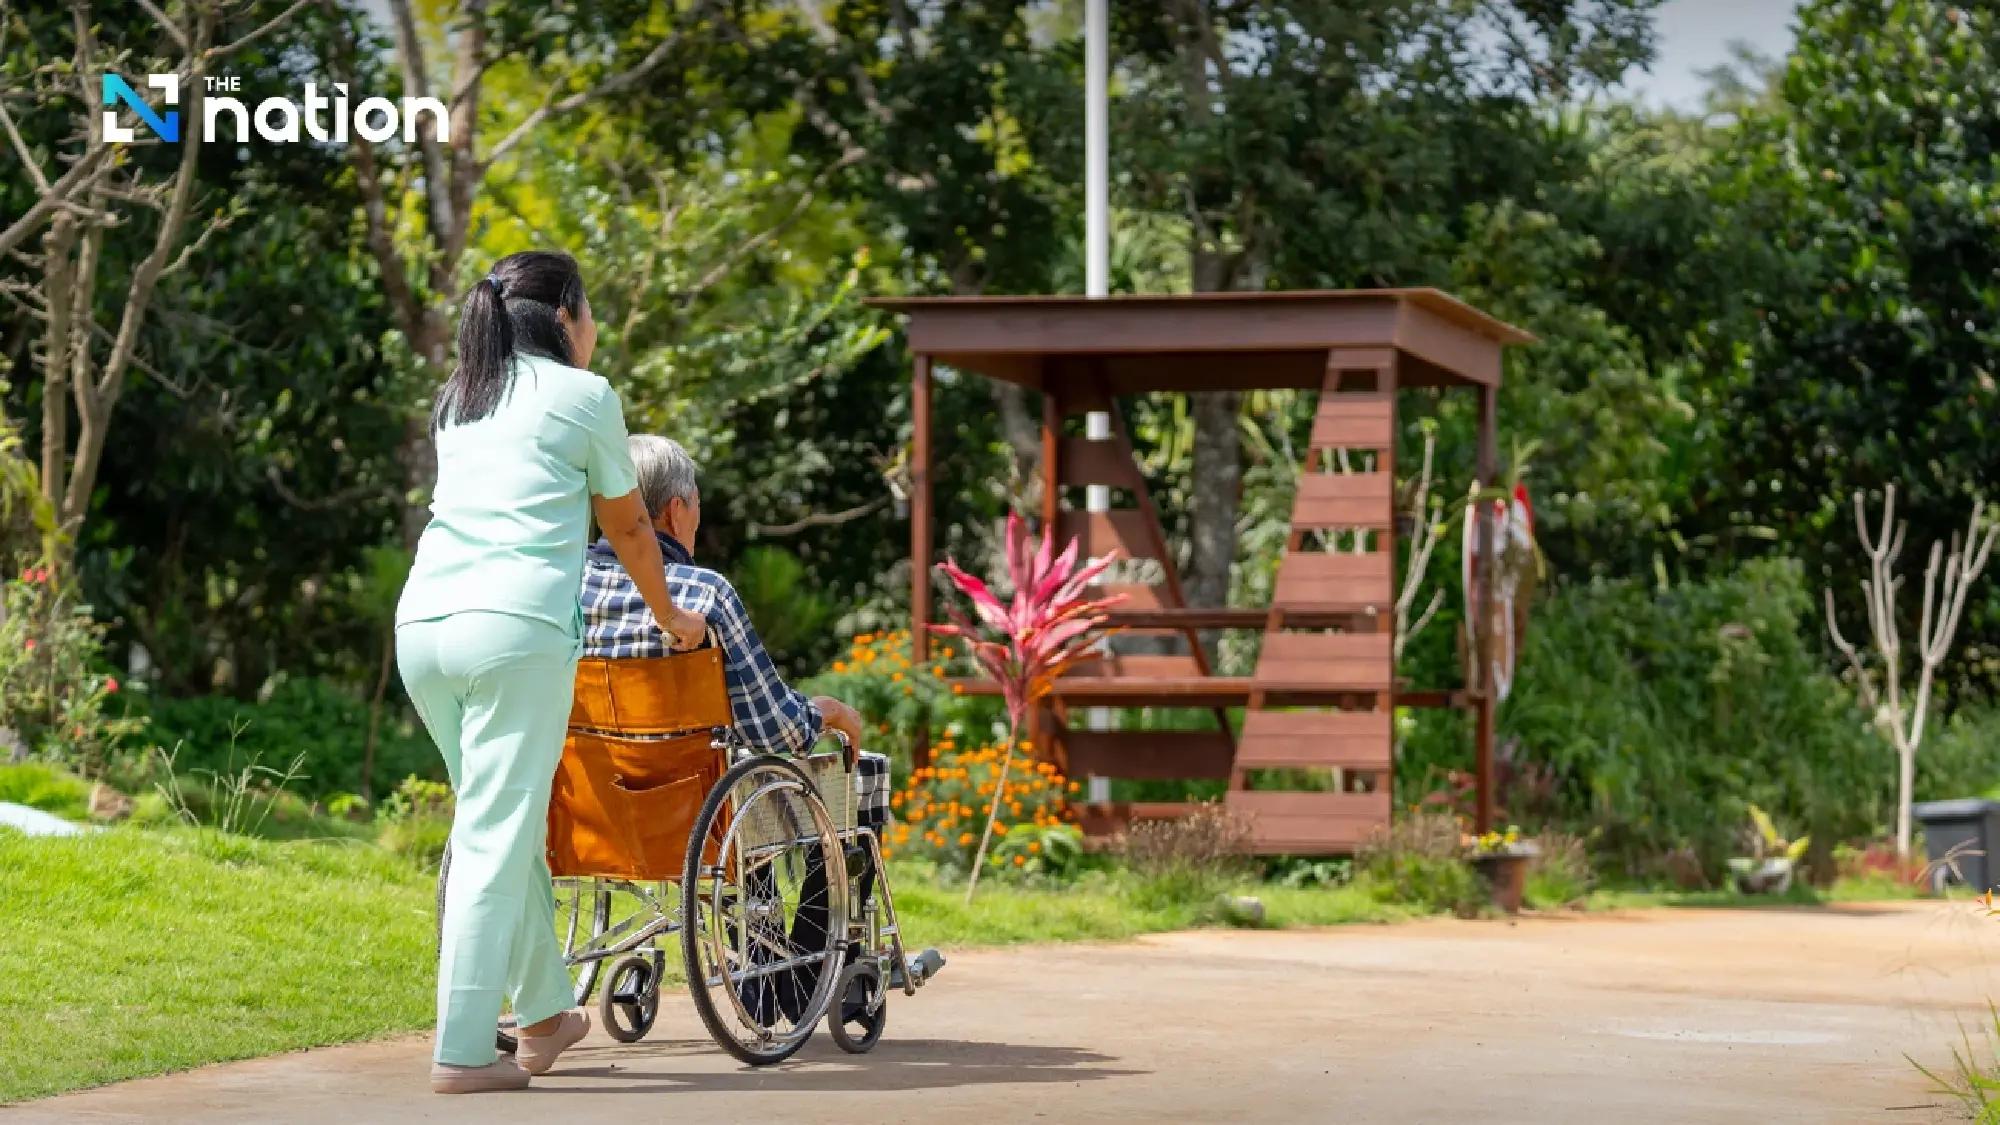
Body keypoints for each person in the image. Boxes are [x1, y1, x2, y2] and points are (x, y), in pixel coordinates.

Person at [396, 250, 707, 1095]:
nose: (594, 326)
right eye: (591, 309)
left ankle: (543, 1013)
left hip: (424, 627)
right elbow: (635, 529)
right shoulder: (584, 395)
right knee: (496, 837)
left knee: (499, 821)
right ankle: (463, 1049)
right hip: (515, 629)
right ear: (565, 314)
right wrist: (673, 617)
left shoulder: (458, 397)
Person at [579, 435, 890, 839]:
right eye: (697, 505)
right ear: (676, 511)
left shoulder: (567, 584)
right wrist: (826, 711)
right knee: (866, 775)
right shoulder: (702, 594)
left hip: (592, 804)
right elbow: (777, 729)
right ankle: (817, 907)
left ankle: (760, 901)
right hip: (699, 815)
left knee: (740, 767)